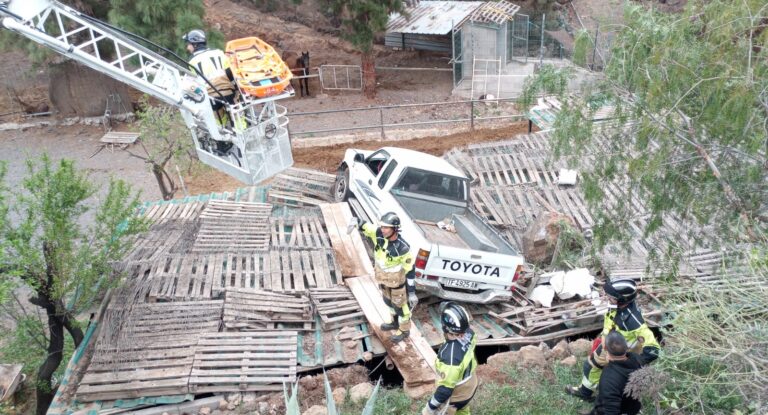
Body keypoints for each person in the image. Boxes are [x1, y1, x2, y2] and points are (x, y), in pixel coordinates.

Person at [567, 279, 660, 402]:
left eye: (610, 297)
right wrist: (605, 336)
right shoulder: (617, 305)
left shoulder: (633, 321)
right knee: (592, 366)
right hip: (610, 343)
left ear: (622, 299)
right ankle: (587, 391)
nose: (607, 298)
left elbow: (653, 350)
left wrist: (633, 362)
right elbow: (610, 319)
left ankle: (588, 393)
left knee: (593, 367)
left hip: (619, 351)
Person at [358, 212, 418, 343]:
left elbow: (410, 270)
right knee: (388, 302)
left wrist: (412, 292)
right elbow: (366, 226)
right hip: (383, 280)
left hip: (397, 284)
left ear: (395, 229)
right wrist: (357, 222)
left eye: (386, 227)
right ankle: (394, 323)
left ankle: (404, 330)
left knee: (401, 307)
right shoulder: (379, 234)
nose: (383, 229)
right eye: (382, 226)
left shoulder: (403, 248)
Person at [422, 302, 478, 415]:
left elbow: (445, 390)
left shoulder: (450, 358)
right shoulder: (470, 334)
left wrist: (430, 407)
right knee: (462, 410)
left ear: (445, 327)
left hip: (458, 395)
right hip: (471, 384)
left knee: (450, 410)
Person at [183, 29, 237, 121]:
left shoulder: (192, 62)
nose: (188, 47)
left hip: (211, 98)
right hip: (228, 93)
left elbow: (190, 84)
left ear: (195, 44)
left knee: (219, 123)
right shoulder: (219, 53)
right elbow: (230, 72)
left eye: (189, 44)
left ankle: (222, 132)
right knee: (238, 117)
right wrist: (236, 90)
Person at [588, 331, 644, 415]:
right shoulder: (637, 359)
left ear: (605, 348)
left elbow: (611, 411)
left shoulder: (608, 378)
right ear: (626, 346)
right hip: (633, 407)